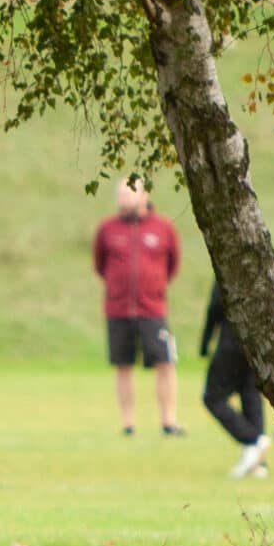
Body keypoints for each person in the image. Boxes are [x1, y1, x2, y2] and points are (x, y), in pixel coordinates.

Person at [93, 176, 183, 435]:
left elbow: (172, 265)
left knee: (164, 363)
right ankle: (128, 423)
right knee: (123, 364)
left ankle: (168, 420)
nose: (124, 200)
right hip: (118, 308)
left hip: (152, 309)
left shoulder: (163, 227)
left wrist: (153, 285)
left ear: (144, 195)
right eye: (120, 195)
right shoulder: (107, 229)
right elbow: (100, 265)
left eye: (129, 194)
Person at [198, 271, 269, 479]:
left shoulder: (227, 266)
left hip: (231, 344)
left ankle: (253, 439)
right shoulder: (261, 272)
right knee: (250, 393)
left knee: (212, 397)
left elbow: (214, 310)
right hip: (256, 344)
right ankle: (258, 463)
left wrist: (204, 343)